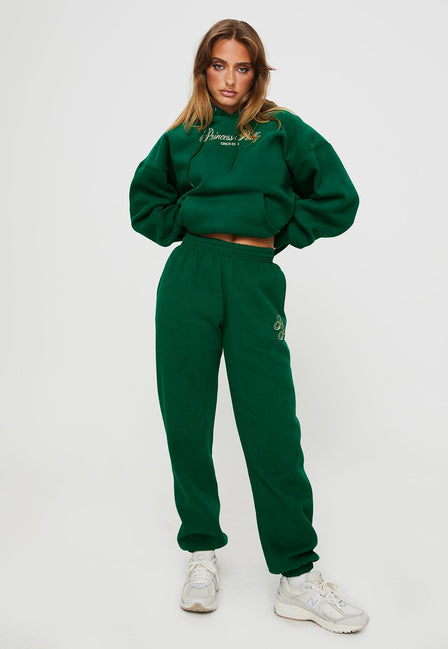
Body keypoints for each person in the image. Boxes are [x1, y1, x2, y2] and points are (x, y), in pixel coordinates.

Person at [129, 18, 369, 634]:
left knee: (271, 425)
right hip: (190, 278)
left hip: (254, 279)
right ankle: (201, 553)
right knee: (187, 420)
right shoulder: (184, 134)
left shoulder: (283, 129)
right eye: (218, 65)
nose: (229, 79)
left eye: (242, 67)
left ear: (257, 72)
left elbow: (339, 197)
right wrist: (191, 221)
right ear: (203, 69)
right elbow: (144, 203)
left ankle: (297, 575)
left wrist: (278, 231)